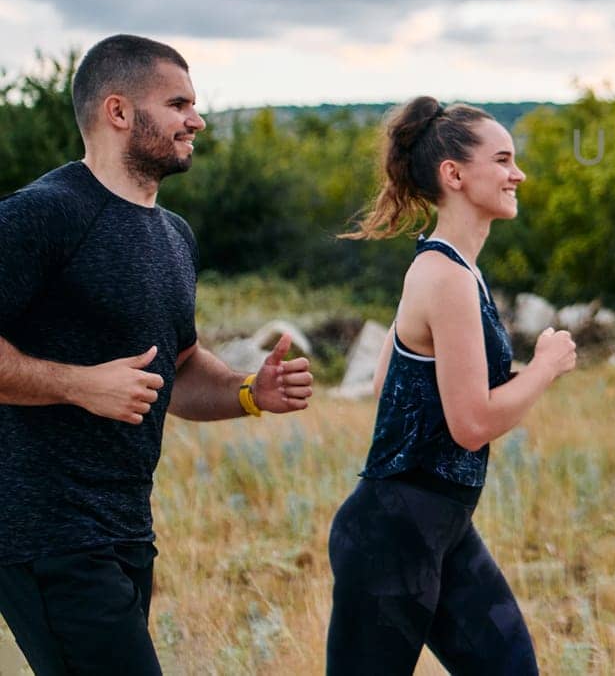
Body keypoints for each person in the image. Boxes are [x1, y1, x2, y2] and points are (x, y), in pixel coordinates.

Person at [0, 34, 314, 676]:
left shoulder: (173, 235)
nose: (196, 120)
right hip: (45, 530)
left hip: (125, 528)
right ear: (119, 112)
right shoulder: (42, 215)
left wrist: (251, 392)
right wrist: (77, 384)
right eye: (179, 104)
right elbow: (88, 381)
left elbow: (182, 367)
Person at [326, 97, 576, 675]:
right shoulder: (445, 276)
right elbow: (472, 425)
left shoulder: (449, 268)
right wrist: (544, 366)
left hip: (440, 527)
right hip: (392, 535)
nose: (519, 174)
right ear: (454, 174)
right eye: (504, 159)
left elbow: (388, 380)